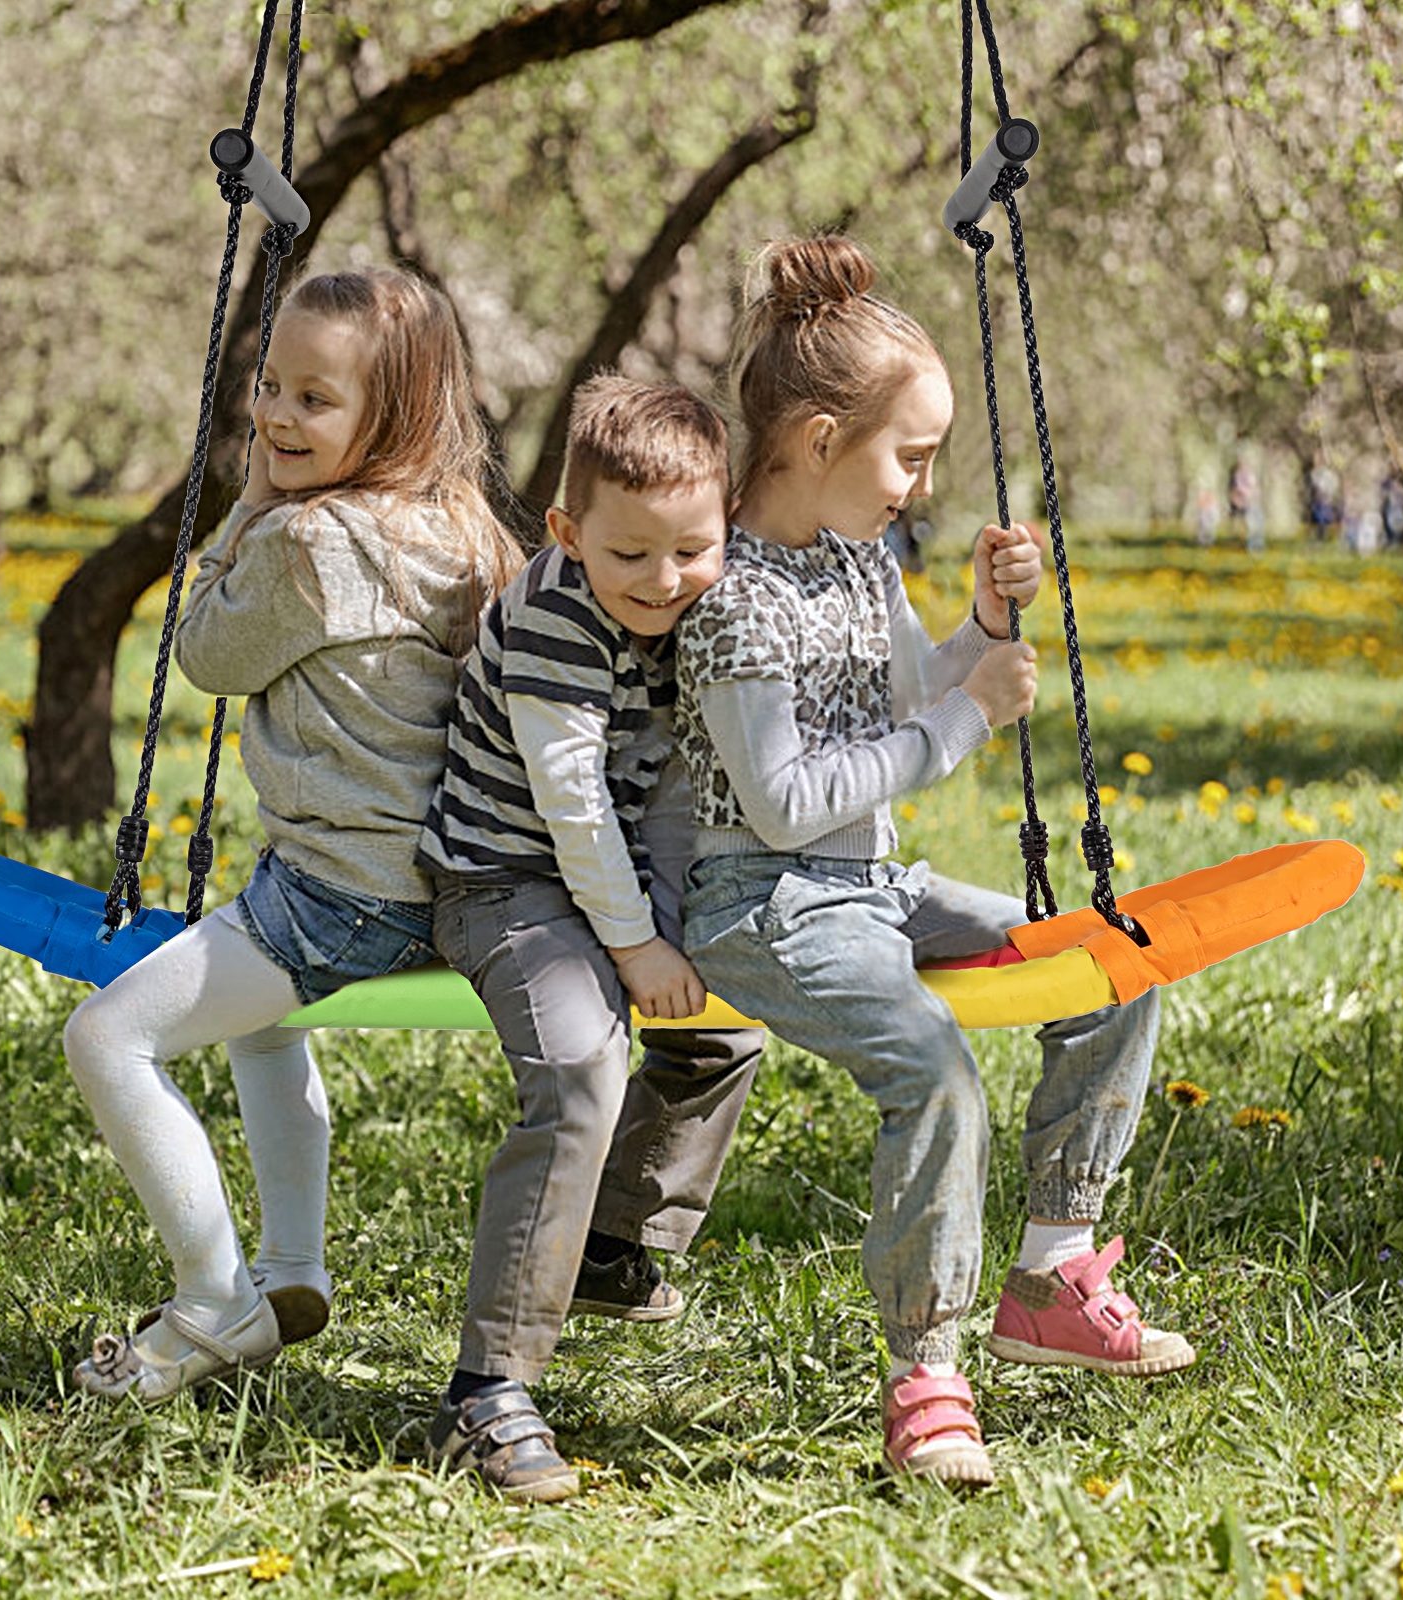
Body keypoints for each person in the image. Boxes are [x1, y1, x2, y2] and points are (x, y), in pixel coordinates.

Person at [675, 236, 1191, 1489]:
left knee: (1112, 963)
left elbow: (910, 688)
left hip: (870, 888)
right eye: (906, 455)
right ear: (816, 440)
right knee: (936, 1069)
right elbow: (784, 805)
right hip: (762, 899)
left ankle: (1051, 1272)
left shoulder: (857, 559)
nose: (916, 483)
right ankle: (925, 1376)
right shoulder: (733, 601)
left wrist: (984, 624)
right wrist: (965, 721)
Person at [63, 267, 522, 1403]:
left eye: (315, 399)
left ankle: (215, 1302)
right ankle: (291, 1269)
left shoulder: (307, 542)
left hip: (341, 891)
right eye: (270, 385)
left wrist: (250, 508)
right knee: (260, 1030)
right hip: (446, 880)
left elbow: (205, 655)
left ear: (393, 415)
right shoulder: (461, 529)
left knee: (107, 1040)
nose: (275, 414)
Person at [417, 375, 763, 1502]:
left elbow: (669, 787)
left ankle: (611, 1244)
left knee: (727, 1026)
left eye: (692, 551)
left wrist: (673, 931)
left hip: (605, 875)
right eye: (630, 555)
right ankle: (487, 1388)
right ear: (566, 534)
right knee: (580, 1067)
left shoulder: (692, 599)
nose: (663, 580)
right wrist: (635, 948)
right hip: (503, 880)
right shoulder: (558, 618)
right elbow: (571, 804)